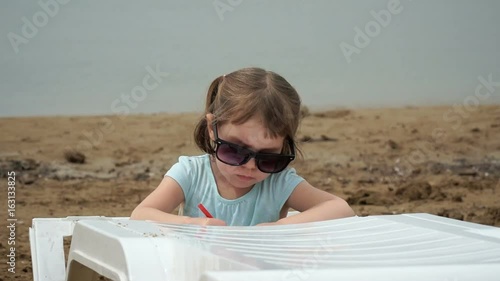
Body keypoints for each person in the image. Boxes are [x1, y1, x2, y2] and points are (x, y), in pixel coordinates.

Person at [130, 67, 355, 226]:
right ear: (212, 128)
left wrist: (279, 229)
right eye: (235, 151)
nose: (249, 167)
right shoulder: (190, 174)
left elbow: (341, 209)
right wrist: (192, 223)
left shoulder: (278, 183)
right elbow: (141, 214)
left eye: (268, 158)